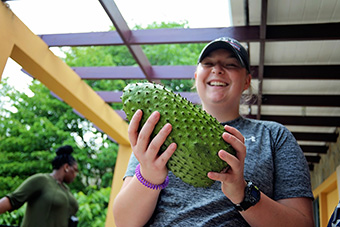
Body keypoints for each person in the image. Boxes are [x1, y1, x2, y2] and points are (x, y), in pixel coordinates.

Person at [113, 37, 314, 226]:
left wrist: (242, 192)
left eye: (231, 64)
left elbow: (303, 223)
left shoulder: (274, 136)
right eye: (208, 63)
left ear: (246, 81)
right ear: (196, 76)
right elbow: (124, 222)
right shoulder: (158, 133)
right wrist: (149, 176)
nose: (217, 69)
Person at [0, 145, 79, 227]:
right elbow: (12, 200)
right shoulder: (41, 180)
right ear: (66, 167)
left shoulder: (66, 189)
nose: (76, 175)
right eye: (75, 170)